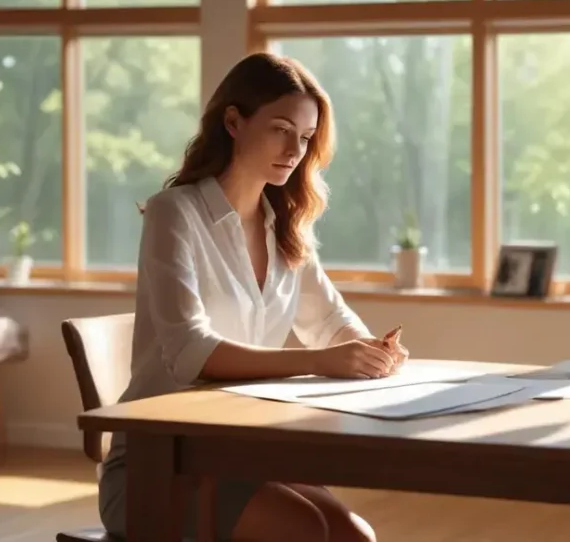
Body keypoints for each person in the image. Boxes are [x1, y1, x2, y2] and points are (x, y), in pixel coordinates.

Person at [98, 52, 408, 542]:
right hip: (157, 467)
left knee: (355, 536)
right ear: (234, 122)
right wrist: (324, 361)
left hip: (244, 453)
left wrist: (369, 350)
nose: (294, 149)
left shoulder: (283, 228)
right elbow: (190, 352)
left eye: (305, 138)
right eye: (281, 129)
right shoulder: (173, 214)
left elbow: (330, 320)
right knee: (306, 530)